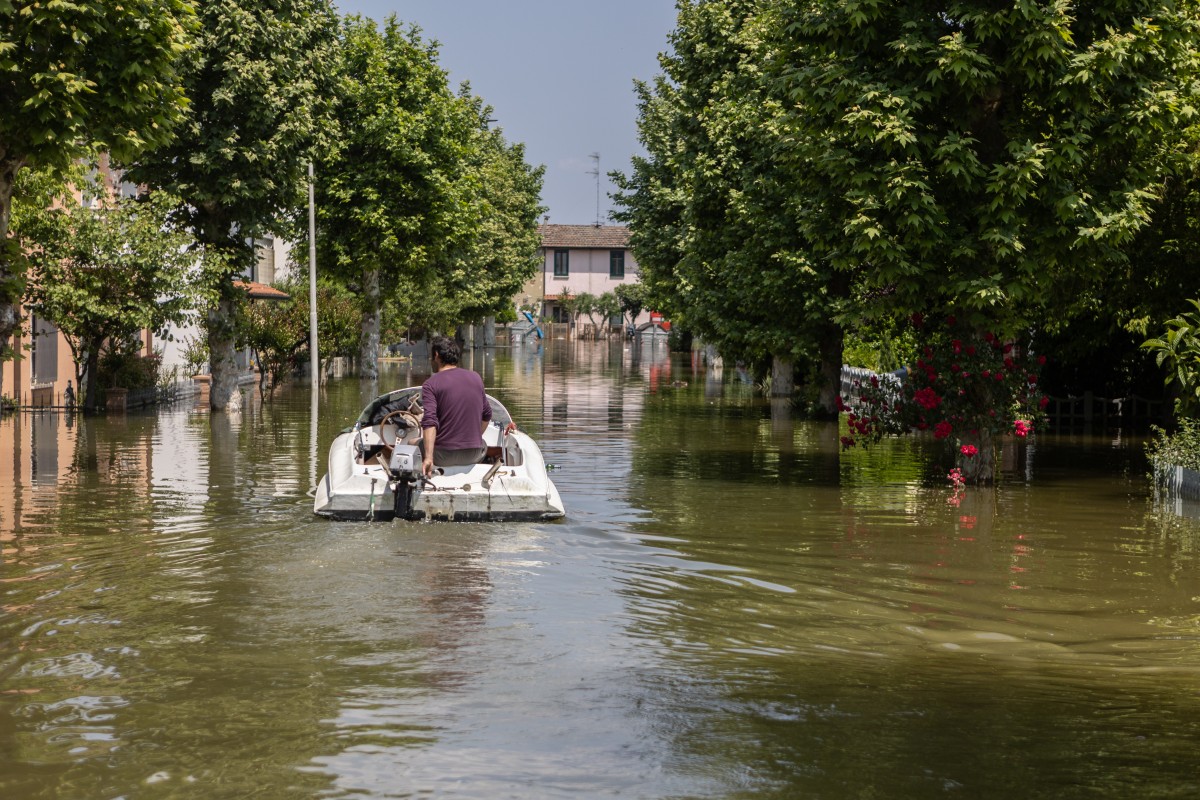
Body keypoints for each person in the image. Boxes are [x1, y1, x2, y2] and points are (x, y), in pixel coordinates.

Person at [420, 336, 491, 476]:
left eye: (431, 356)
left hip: (443, 457)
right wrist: (474, 439)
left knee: (411, 442)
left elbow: (429, 421)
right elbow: (487, 414)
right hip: (475, 453)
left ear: (436, 355)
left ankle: (424, 476)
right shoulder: (475, 377)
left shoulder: (430, 384)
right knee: (484, 444)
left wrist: (428, 458)